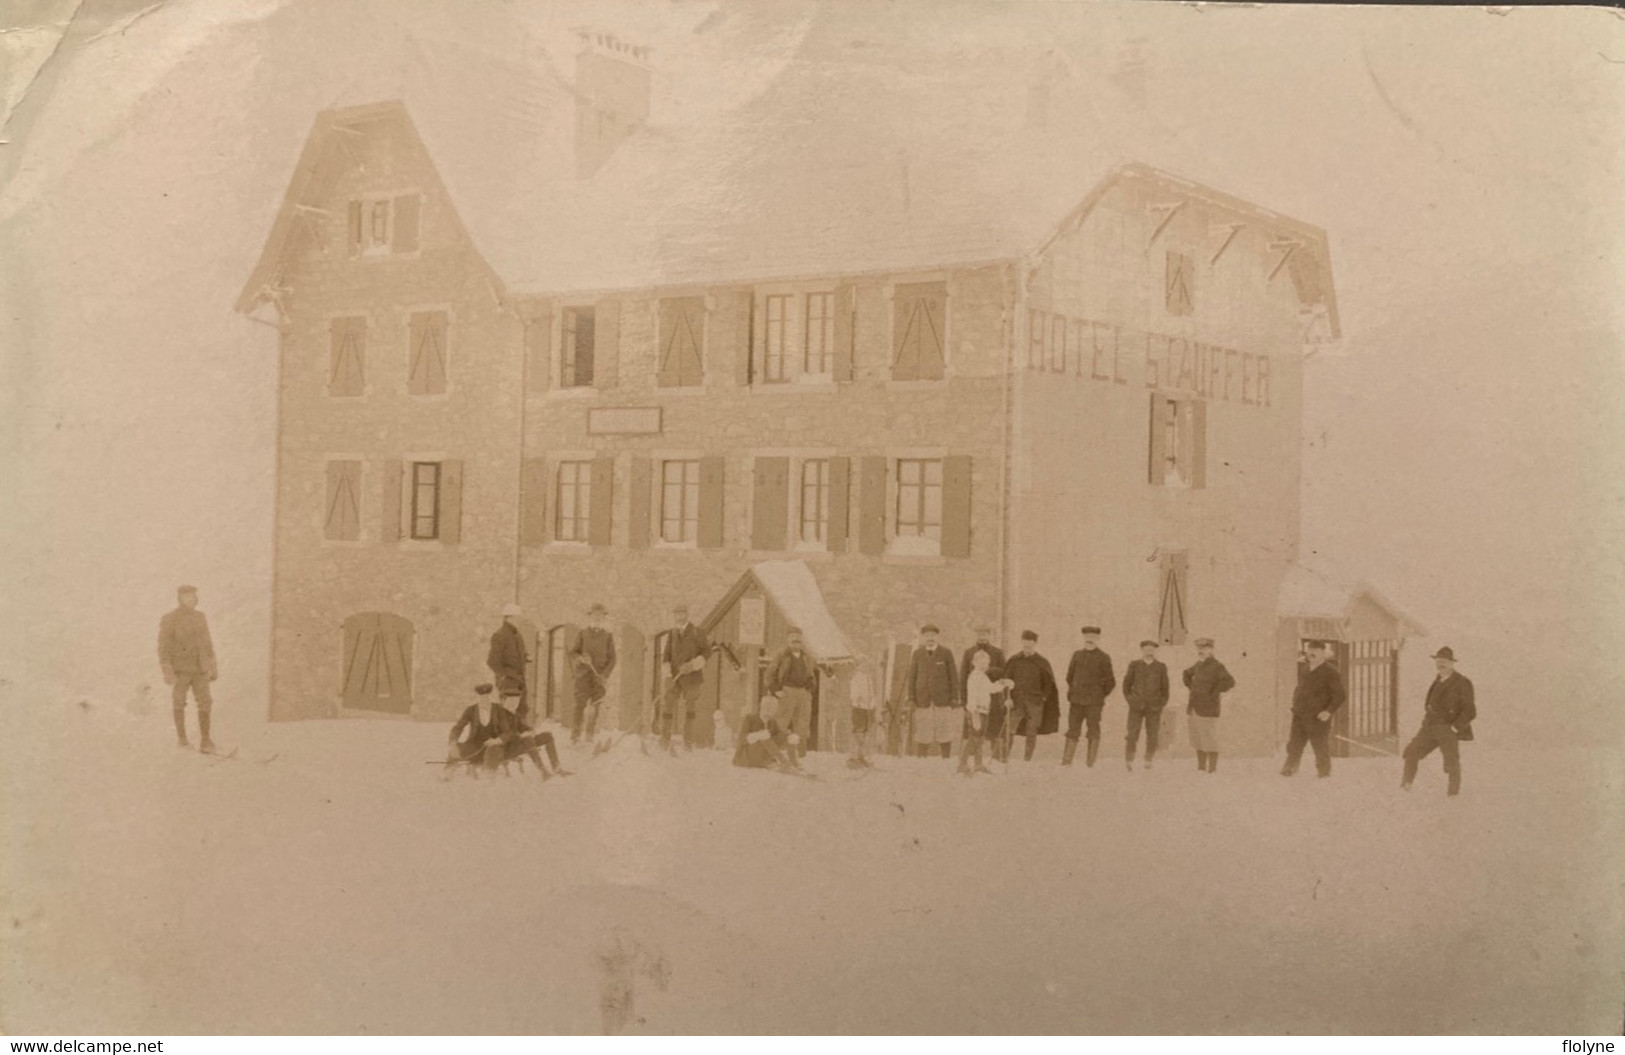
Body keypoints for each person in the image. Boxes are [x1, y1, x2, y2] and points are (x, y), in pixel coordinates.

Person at [445, 684, 567, 779]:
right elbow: (459, 727)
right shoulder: (498, 711)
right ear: (503, 701)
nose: (514, 703)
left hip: (512, 744)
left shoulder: (513, 714)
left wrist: (529, 731)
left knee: (544, 736)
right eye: (511, 700)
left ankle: (555, 768)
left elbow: (519, 728)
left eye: (517, 701)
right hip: (498, 746)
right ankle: (543, 772)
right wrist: (453, 741)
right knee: (456, 750)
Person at [1401, 646, 1477, 797]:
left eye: (1444, 662)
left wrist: (1455, 728)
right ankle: (1405, 787)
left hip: (1447, 729)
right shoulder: (1438, 679)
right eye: (1438, 661)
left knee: (1451, 763)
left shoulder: (1462, 682)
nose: (1440, 664)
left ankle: (1453, 795)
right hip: (1429, 727)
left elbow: (1470, 710)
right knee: (1411, 752)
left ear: (1451, 663)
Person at [158, 584, 219, 752]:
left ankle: (206, 741)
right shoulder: (170, 619)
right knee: (179, 702)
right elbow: (163, 647)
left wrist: (212, 665)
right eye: (186, 596)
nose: (190, 599)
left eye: (192, 596)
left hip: (200, 669)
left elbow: (207, 643)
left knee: (205, 702)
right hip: (180, 670)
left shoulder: (200, 617)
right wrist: (167, 670)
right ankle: (182, 739)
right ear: (179, 598)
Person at [1283, 640, 1347, 778]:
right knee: (1294, 744)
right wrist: (1295, 703)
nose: (1311, 653)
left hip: (1318, 716)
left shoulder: (1330, 672)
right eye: (1309, 650)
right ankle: (1290, 767)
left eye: (1315, 651)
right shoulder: (1305, 668)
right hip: (1300, 713)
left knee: (1320, 746)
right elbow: (1301, 688)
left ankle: (1323, 773)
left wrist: (1328, 711)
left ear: (1323, 653)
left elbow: (1340, 695)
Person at [1064, 626, 1117, 767]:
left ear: (1098, 639)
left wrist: (1099, 694)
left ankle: (1090, 763)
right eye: (1087, 636)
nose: (1090, 639)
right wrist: (1075, 691)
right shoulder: (1077, 655)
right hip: (1076, 701)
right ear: (1083, 638)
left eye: (1093, 637)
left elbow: (1110, 682)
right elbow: (1069, 677)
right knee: (1072, 729)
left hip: (1094, 702)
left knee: (1093, 729)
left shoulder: (1103, 657)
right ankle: (1067, 761)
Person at [904, 624, 959, 759]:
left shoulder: (946, 653)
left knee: (944, 727)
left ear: (938, 637)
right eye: (927, 636)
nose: (930, 638)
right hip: (922, 698)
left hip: (942, 698)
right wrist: (911, 697)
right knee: (923, 728)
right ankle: (921, 758)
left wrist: (954, 697)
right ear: (923, 638)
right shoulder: (917, 654)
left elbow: (953, 676)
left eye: (933, 636)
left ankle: (945, 758)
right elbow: (912, 677)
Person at [1003, 631, 1060, 762]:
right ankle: (1004, 758)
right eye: (1025, 642)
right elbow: (1006, 680)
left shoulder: (1041, 662)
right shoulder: (1014, 660)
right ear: (1022, 642)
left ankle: (1027, 759)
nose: (1027, 645)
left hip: (1035, 702)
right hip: (1016, 702)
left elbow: (1048, 683)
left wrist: (1043, 698)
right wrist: (1008, 698)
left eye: (1030, 642)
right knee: (1010, 728)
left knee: (1031, 731)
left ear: (1035, 644)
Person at [659, 604, 710, 751]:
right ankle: (665, 738)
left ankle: (688, 742)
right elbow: (666, 655)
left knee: (690, 709)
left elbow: (707, 652)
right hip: (675, 677)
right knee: (668, 704)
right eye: (677, 614)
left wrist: (693, 665)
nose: (679, 617)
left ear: (687, 615)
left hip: (692, 679)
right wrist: (668, 674)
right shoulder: (672, 633)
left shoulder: (697, 632)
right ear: (674, 616)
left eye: (682, 614)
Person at [1182, 637, 1235, 773]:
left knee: (1209, 738)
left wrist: (1213, 694)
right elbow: (1186, 674)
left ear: (1211, 649)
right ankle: (1201, 768)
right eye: (1199, 648)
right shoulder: (1199, 664)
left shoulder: (1217, 666)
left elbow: (1229, 682)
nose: (1201, 651)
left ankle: (1212, 769)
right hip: (1194, 707)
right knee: (1197, 737)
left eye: (1204, 648)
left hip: (1208, 708)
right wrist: (1193, 689)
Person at [567, 603, 617, 745]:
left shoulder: (608, 636)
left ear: (603, 618)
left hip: (599, 678)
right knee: (579, 705)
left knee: (595, 706)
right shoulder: (582, 634)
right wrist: (581, 658)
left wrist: (605, 675)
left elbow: (613, 659)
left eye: (600, 615)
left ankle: (589, 734)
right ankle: (575, 735)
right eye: (595, 615)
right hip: (582, 676)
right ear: (590, 616)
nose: (597, 618)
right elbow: (573, 652)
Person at [765, 627, 817, 759]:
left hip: (803, 693)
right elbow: (769, 674)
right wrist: (776, 689)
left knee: (802, 724)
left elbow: (811, 675)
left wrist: (810, 688)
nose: (796, 640)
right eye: (793, 638)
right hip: (787, 691)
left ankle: (800, 754)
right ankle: (774, 752)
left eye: (798, 638)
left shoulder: (806, 656)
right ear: (788, 640)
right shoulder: (781, 655)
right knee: (781, 722)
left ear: (802, 640)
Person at [959, 650, 1012, 775]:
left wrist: (1002, 684)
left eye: (986, 663)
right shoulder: (974, 676)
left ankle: (978, 764)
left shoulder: (982, 676)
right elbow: (972, 696)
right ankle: (962, 764)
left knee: (979, 739)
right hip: (976, 711)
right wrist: (974, 712)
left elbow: (991, 689)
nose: (984, 666)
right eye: (980, 663)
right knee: (974, 739)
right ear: (974, 663)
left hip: (984, 711)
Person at [961, 623, 1009, 761]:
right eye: (979, 633)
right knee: (975, 733)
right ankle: (969, 760)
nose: (982, 636)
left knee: (992, 729)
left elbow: (1003, 672)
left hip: (992, 700)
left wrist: (990, 672)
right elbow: (963, 677)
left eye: (985, 633)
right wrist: (965, 702)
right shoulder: (969, 653)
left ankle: (996, 758)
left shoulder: (998, 652)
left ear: (989, 635)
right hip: (975, 701)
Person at [1122, 639, 1170, 770]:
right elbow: (1126, 685)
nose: (1149, 651)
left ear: (1155, 651)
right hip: (1136, 707)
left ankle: (1148, 759)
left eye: (1152, 649)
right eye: (1146, 649)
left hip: (1154, 707)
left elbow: (1165, 689)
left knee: (1152, 734)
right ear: (1142, 650)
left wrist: (1160, 704)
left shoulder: (1161, 667)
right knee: (1132, 734)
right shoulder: (1134, 665)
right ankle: (1129, 760)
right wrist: (1131, 700)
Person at [487, 603, 530, 724]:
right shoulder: (500, 635)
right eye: (518, 617)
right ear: (509, 618)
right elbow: (492, 661)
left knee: (522, 711)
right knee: (508, 713)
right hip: (509, 682)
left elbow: (516, 656)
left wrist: (526, 658)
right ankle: (507, 740)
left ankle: (521, 740)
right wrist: (504, 676)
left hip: (520, 681)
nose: (520, 620)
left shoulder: (517, 635)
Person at [847, 653, 878, 769]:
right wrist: (857, 702)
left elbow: (872, 693)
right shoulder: (856, 677)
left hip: (868, 709)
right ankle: (853, 758)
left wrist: (872, 705)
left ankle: (861, 757)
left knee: (864, 733)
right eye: (862, 664)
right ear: (858, 666)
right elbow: (854, 693)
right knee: (858, 732)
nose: (865, 666)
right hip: (859, 708)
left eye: (866, 664)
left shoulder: (868, 677)